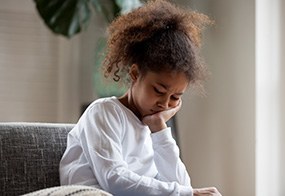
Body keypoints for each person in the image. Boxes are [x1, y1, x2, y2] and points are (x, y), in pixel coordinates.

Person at [59, 0, 222, 195]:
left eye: (175, 97)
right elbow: (114, 179)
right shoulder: (104, 113)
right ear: (135, 74)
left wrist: (160, 129)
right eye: (159, 91)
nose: (164, 104)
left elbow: (181, 185)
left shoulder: (151, 127)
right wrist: (185, 193)